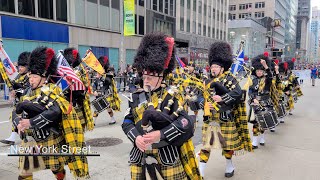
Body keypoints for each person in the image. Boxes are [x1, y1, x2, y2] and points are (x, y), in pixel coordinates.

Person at [122, 32, 201, 180]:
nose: (146, 81)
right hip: (140, 155)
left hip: (166, 156)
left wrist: (161, 134)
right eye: (144, 77)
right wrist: (136, 138)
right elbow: (127, 122)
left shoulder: (172, 95)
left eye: (150, 78)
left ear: (161, 76)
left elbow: (185, 123)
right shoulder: (136, 96)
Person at [12, 47, 89, 179]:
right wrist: (18, 122)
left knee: (56, 168)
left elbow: (55, 111)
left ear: (43, 77)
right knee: (25, 172)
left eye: (34, 77)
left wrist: (30, 122)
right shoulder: (27, 91)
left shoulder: (53, 89)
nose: (31, 80)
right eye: (30, 76)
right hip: (31, 139)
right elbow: (16, 110)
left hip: (50, 138)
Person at [199, 41, 252, 178]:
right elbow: (198, 98)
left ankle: (229, 165)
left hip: (225, 118)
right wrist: (205, 104)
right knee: (206, 146)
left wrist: (222, 98)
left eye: (216, 66)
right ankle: (200, 171)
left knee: (227, 146)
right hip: (210, 119)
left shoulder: (230, 78)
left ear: (222, 68)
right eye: (212, 66)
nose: (213, 69)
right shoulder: (206, 81)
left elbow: (238, 94)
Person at [0, 52, 30, 145]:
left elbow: (28, 90)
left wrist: (17, 90)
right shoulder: (17, 76)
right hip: (18, 103)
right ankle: (12, 138)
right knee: (15, 119)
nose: (19, 68)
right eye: (19, 66)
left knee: (23, 120)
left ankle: (26, 137)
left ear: (27, 67)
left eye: (22, 67)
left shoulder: (29, 76)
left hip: (26, 103)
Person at [249, 53, 278, 149]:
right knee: (256, 122)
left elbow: (270, 75)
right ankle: (254, 141)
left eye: (261, 71)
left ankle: (262, 137)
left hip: (265, 102)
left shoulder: (267, 79)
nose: (259, 72)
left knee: (263, 122)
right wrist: (253, 98)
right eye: (257, 71)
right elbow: (250, 91)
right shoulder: (252, 80)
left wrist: (266, 66)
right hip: (255, 103)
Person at [62, 47, 94, 131]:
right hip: (67, 99)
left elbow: (84, 84)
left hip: (79, 98)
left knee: (81, 123)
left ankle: (81, 140)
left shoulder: (79, 68)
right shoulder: (64, 68)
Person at [92, 56, 121, 125]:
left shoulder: (107, 76)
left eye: (97, 73)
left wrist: (103, 76)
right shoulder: (96, 80)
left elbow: (108, 82)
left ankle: (112, 119)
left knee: (108, 108)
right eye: (96, 73)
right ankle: (93, 122)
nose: (96, 74)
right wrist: (94, 91)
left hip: (105, 95)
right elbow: (94, 86)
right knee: (97, 109)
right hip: (98, 96)